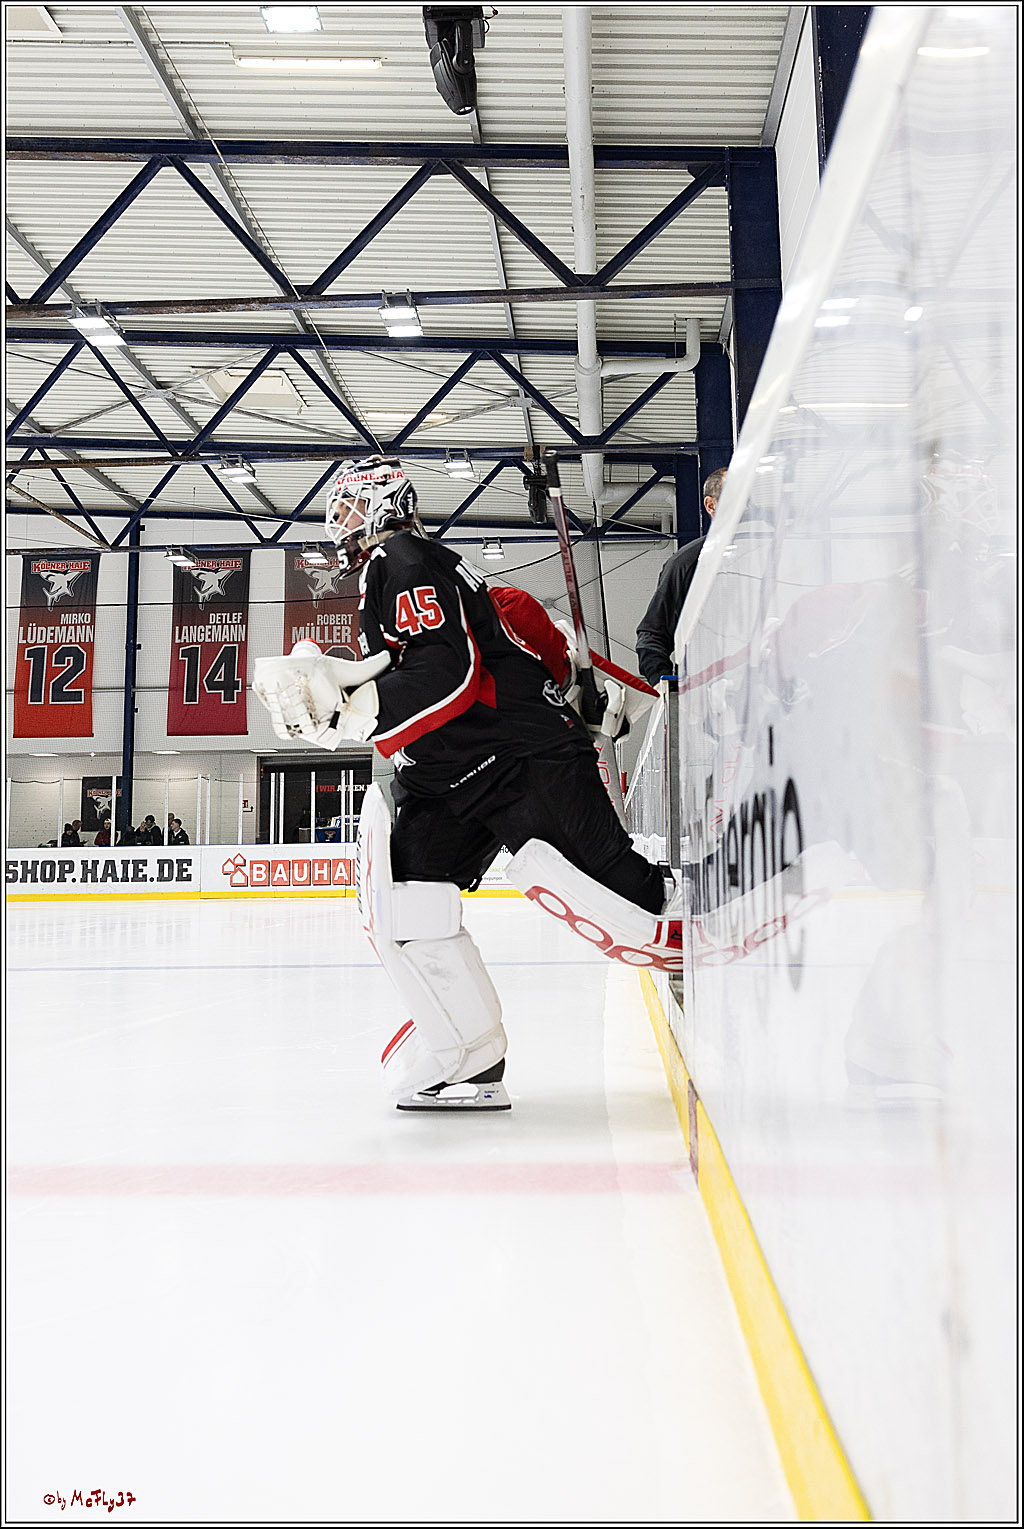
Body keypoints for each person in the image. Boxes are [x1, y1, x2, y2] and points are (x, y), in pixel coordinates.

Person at [254, 455, 681, 1114]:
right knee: (405, 899)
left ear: (382, 504)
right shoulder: (401, 570)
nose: (336, 523)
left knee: (620, 892)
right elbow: (452, 661)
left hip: (515, 758)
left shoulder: (402, 558)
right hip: (454, 776)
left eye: (344, 508)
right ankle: (468, 1051)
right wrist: (352, 690)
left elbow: (448, 672)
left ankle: (706, 915)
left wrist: (354, 707)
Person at [635, 467, 727, 685]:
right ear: (711, 505)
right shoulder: (686, 565)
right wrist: (664, 686)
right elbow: (652, 636)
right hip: (709, 692)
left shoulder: (770, 557)